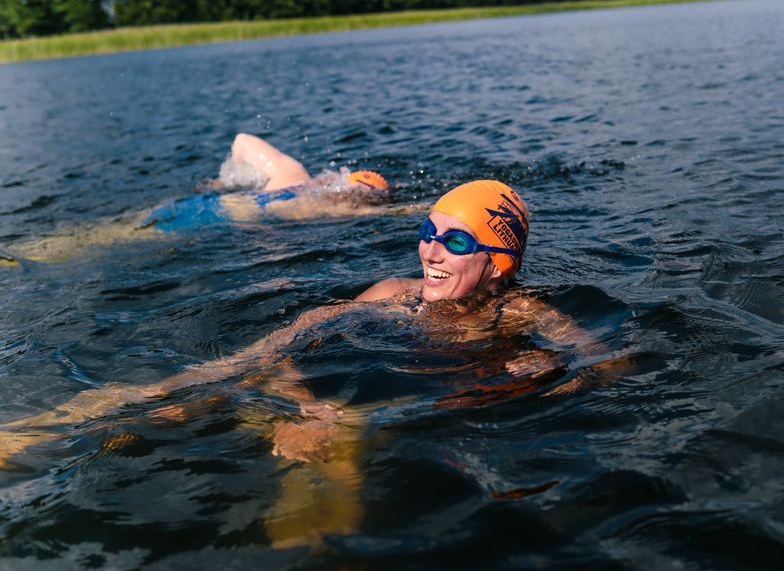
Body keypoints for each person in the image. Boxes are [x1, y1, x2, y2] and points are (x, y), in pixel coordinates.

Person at [0, 179, 632, 545]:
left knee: (338, 452)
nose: (431, 250)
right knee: (202, 381)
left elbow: (612, 367)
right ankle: (28, 437)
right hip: (326, 391)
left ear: (498, 263)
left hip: (401, 413)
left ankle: (313, 556)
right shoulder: (390, 296)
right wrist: (299, 401)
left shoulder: (523, 317)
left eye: (456, 240)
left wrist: (548, 376)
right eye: (428, 230)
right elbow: (284, 342)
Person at [1, 133, 407, 264]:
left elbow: (243, 140)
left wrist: (227, 181)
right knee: (99, 244)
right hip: (202, 222)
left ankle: (17, 255)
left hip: (193, 210)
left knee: (95, 236)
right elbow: (411, 214)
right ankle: (18, 259)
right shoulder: (319, 208)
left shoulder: (293, 177)